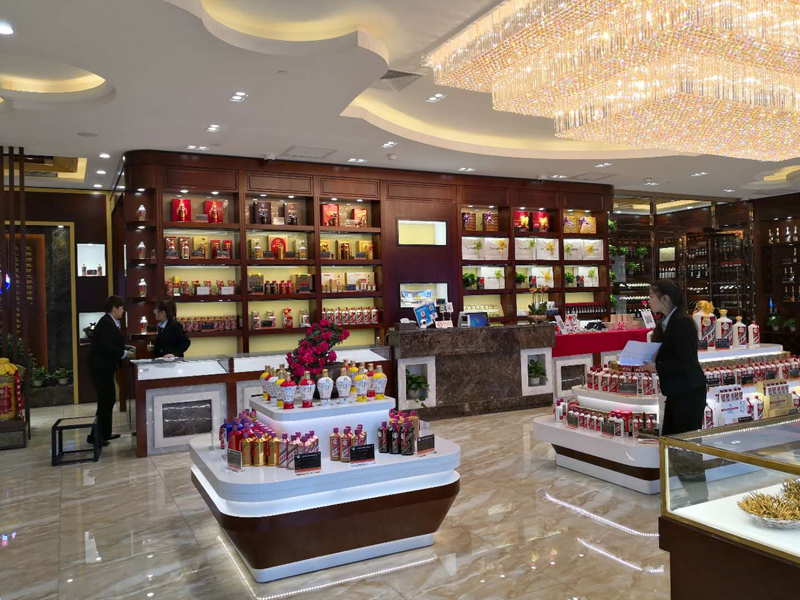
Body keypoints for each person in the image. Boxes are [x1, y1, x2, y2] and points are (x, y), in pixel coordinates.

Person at [643, 280, 708, 504]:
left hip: (689, 392)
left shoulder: (682, 323)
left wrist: (657, 367)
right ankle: (691, 495)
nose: (649, 301)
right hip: (677, 392)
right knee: (671, 443)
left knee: (686, 447)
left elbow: (686, 362)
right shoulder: (666, 322)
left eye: (651, 296)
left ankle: (699, 498)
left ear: (665, 298)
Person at [88, 295, 136, 446]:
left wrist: (124, 348)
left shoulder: (109, 322)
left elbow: (112, 343)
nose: (123, 310)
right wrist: (125, 353)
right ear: (114, 308)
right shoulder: (106, 323)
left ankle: (105, 433)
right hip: (101, 368)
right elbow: (107, 347)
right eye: (121, 308)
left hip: (105, 367)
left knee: (108, 400)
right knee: (105, 400)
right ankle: (95, 436)